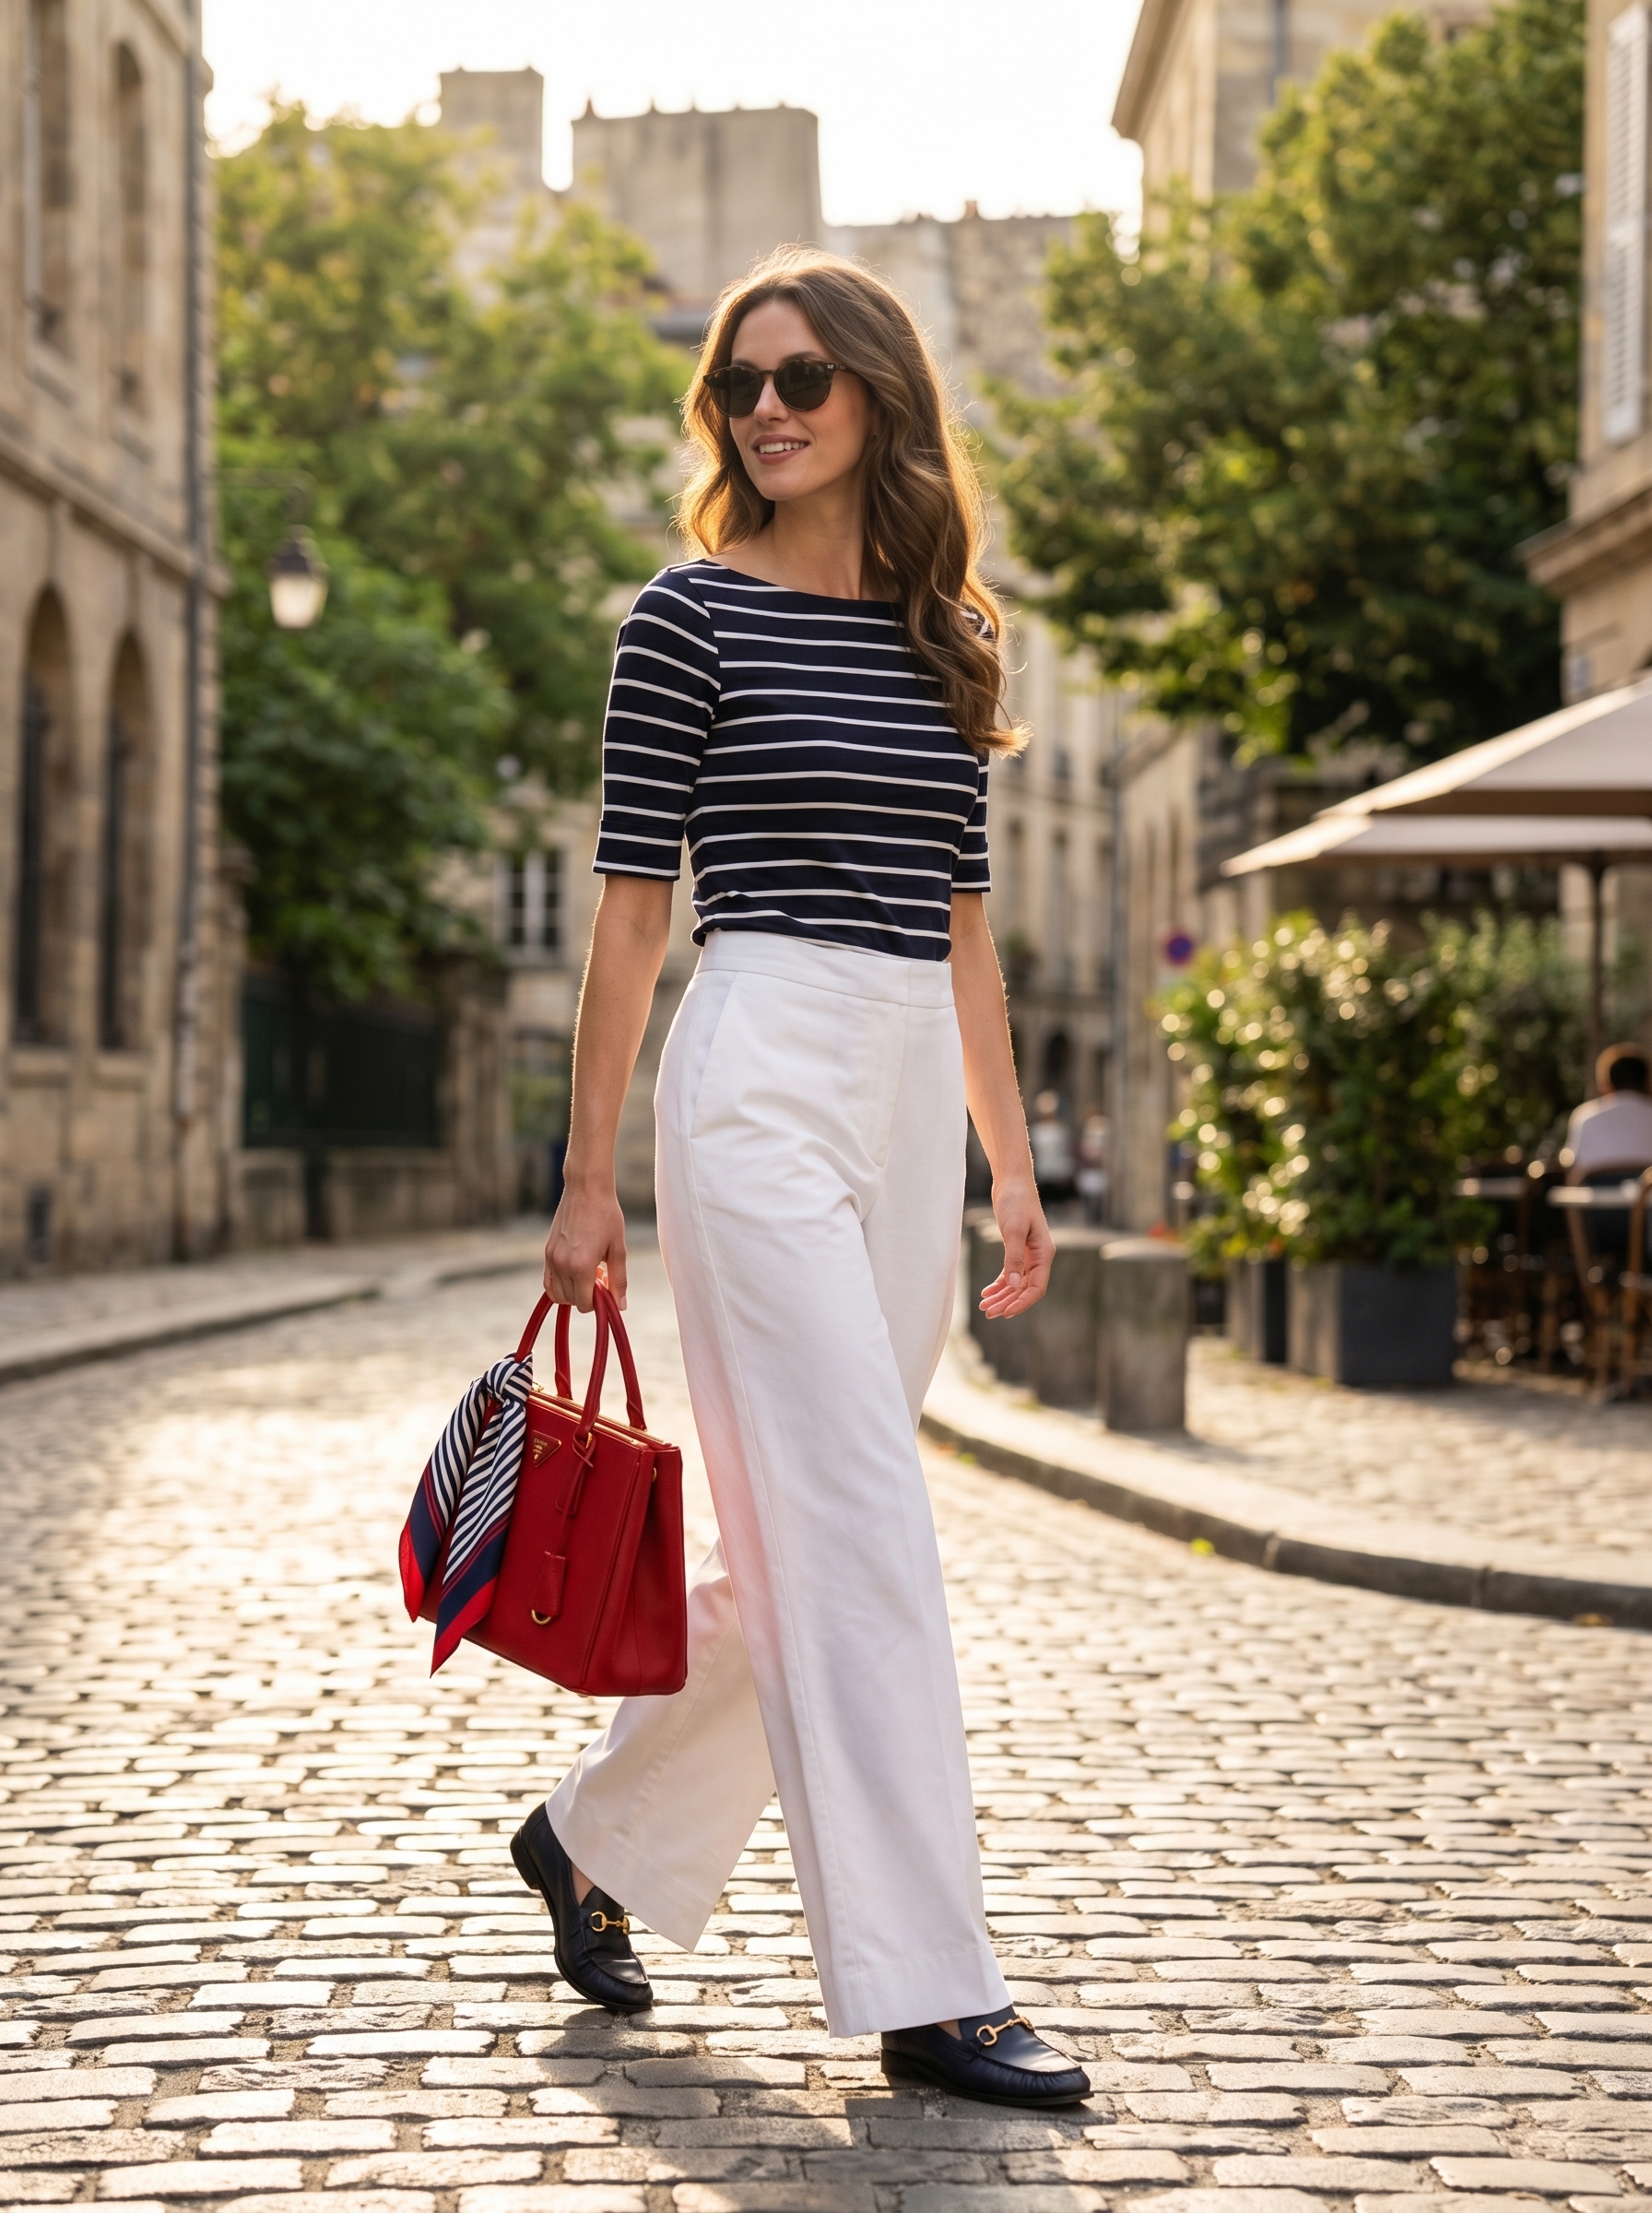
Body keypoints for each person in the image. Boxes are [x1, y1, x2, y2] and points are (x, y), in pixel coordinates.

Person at [509, 248, 1090, 2111]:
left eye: (800, 383)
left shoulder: (947, 634)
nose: (762, 411)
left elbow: (964, 931)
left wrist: (1009, 1167)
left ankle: (591, 1833)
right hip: (754, 1064)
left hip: (913, 1076)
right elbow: (625, 914)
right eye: (737, 385)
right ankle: (929, 1982)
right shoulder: (678, 622)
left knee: (801, 1543)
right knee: (859, 1525)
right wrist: (582, 1178)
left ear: (876, 404)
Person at [1564, 1045, 1652, 1181]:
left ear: (1606, 1084)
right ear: (1646, 1082)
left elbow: (1571, 1163)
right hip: (1647, 1200)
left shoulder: (1584, 1115)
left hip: (1593, 1200)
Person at [1028, 1089, 1076, 1203]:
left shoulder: (1061, 1130)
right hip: (1041, 1170)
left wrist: (1067, 1170)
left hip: (1058, 1171)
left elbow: (1065, 1151)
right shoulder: (1036, 1130)